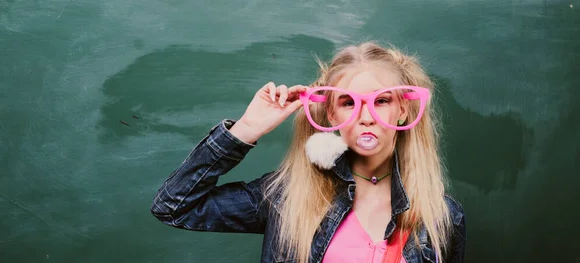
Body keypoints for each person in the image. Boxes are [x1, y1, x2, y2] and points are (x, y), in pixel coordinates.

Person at [150, 41, 466, 263]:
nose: (366, 115)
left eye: (381, 100)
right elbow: (173, 207)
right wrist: (246, 129)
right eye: (348, 102)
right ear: (331, 116)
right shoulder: (287, 197)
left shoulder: (442, 218)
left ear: (404, 110)